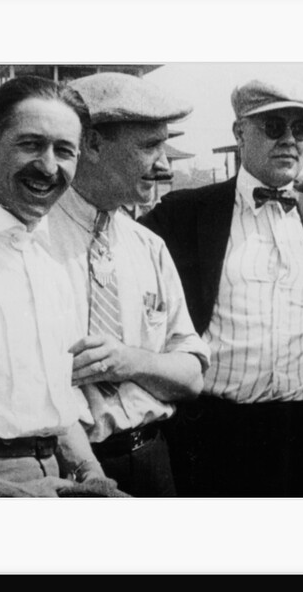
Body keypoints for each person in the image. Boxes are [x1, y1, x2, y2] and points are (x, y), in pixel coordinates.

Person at [140, 78, 303, 497]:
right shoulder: (186, 214)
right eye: (274, 127)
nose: (290, 141)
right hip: (215, 435)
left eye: (302, 130)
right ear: (240, 133)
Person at [47, 72, 210, 497]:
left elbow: (192, 376)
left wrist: (129, 362)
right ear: (93, 145)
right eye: (149, 146)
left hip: (154, 460)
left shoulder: (148, 246)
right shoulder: (33, 239)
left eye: (165, 144)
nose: (164, 164)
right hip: (68, 473)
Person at [0, 75, 124, 498]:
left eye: (64, 150)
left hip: (55, 475)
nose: (48, 165)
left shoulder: (50, 260)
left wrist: (94, 477)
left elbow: (54, 403)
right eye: (30, 144)